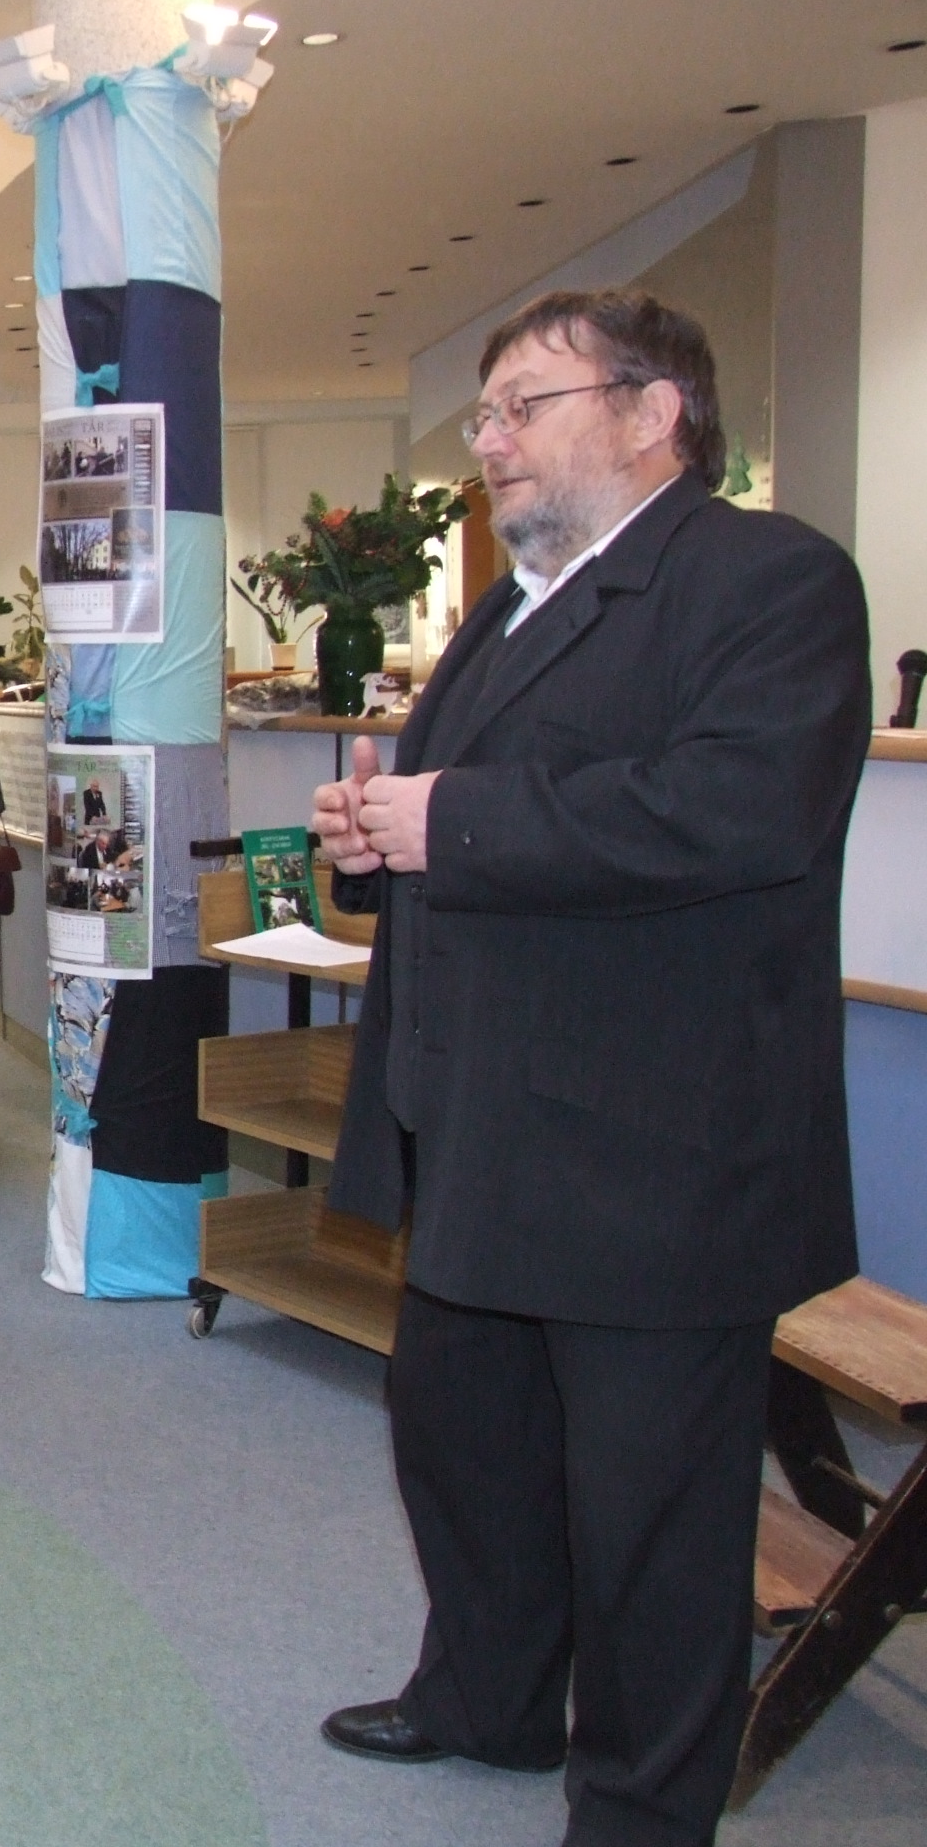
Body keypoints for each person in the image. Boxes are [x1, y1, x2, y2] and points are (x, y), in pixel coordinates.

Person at [309, 287, 869, 1847]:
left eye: (523, 406)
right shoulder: (513, 604)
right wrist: (372, 841)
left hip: (652, 1153)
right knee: (466, 1447)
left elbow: (738, 812)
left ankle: (638, 1811)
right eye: (484, 412)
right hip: (478, 1125)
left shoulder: (772, 580)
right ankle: (488, 1699)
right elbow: (455, 821)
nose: (489, 440)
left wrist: (449, 821)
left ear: (651, 412)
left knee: (652, 1521)